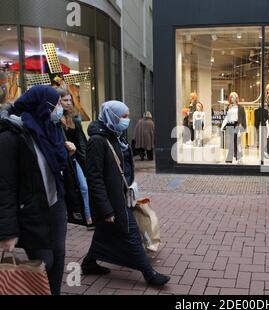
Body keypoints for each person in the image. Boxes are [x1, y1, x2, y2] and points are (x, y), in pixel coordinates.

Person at [81, 101, 170, 286]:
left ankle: (89, 263)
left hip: (122, 194)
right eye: (123, 116)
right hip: (112, 200)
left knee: (103, 233)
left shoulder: (116, 135)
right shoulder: (98, 141)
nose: (127, 120)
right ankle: (149, 274)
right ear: (112, 117)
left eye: (128, 116)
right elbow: (94, 178)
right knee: (131, 234)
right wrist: (106, 209)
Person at [0, 85, 75, 295]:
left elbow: (54, 168)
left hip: (55, 204)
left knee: (59, 256)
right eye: (57, 104)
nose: (61, 108)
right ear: (42, 106)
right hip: (32, 211)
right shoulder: (11, 137)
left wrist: (67, 153)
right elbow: (5, 186)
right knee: (45, 262)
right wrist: (7, 232)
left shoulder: (51, 129)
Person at [56, 88, 93, 228]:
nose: (68, 103)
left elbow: (81, 142)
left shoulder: (74, 119)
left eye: (70, 100)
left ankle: (88, 216)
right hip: (60, 160)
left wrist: (84, 160)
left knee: (83, 187)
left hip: (73, 159)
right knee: (64, 190)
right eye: (65, 100)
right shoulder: (53, 120)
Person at [221, 92, 246, 164]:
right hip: (230, 126)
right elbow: (226, 117)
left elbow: (243, 118)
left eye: (234, 97)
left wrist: (242, 127)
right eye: (231, 97)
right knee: (232, 142)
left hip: (237, 125)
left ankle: (238, 158)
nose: (233, 98)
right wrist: (223, 126)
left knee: (237, 142)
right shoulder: (229, 107)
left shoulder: (240, 108)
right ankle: (233, 157)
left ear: (237, 98)